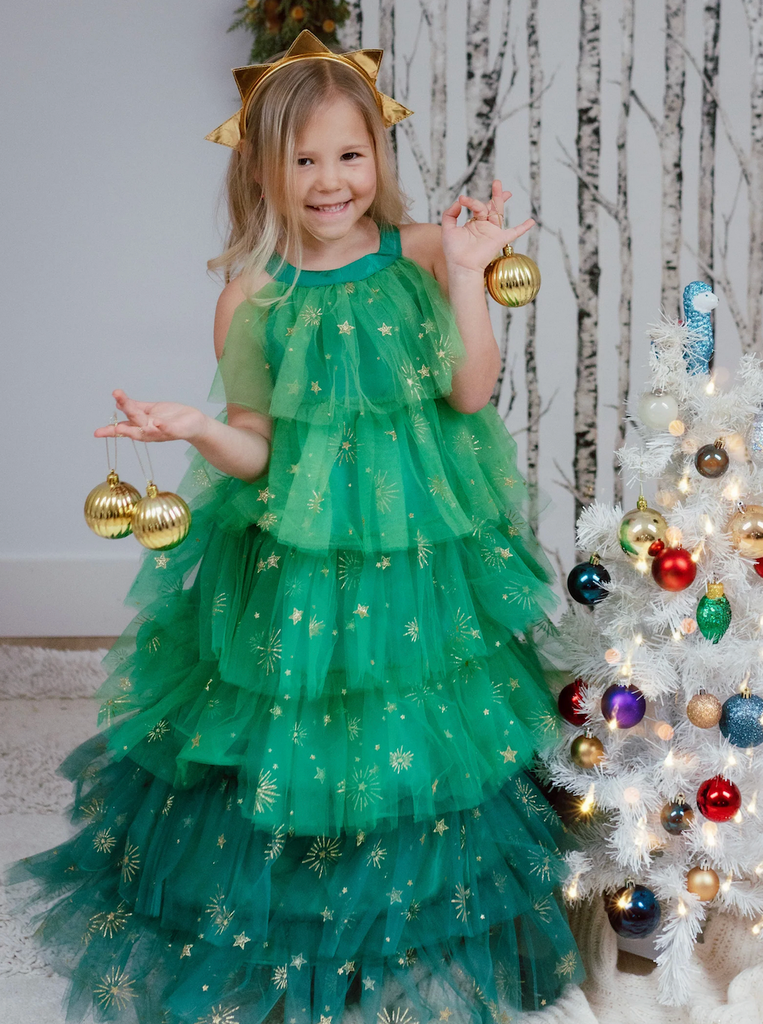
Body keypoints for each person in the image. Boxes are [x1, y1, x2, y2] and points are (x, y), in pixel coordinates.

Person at [7, 31, 582, 1024]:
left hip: (413, 557)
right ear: (261, 171)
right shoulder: (251, 299)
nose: (329, 181)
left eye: (348, 155)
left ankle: (405, 927)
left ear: (379, 158)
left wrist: (467, 272)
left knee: (410, 726)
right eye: (302, 160)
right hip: (299, 568)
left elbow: (468, 388)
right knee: (300, 729)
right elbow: (255, 448)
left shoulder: (422, 254)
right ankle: (301, 939)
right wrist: (192, 426)